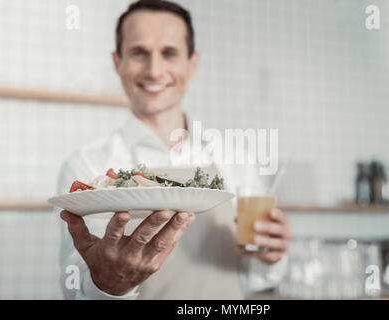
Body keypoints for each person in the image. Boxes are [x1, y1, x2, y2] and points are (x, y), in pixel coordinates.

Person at [58, 0, 291, 300]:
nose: (155, 70)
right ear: (118, 62)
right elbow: (71, 286)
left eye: (169, 53)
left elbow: (253, 281)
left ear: (192, 63)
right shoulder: (85, 164)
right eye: (139, 53)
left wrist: (270, 257)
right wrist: (107, 286)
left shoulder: (235, 158)